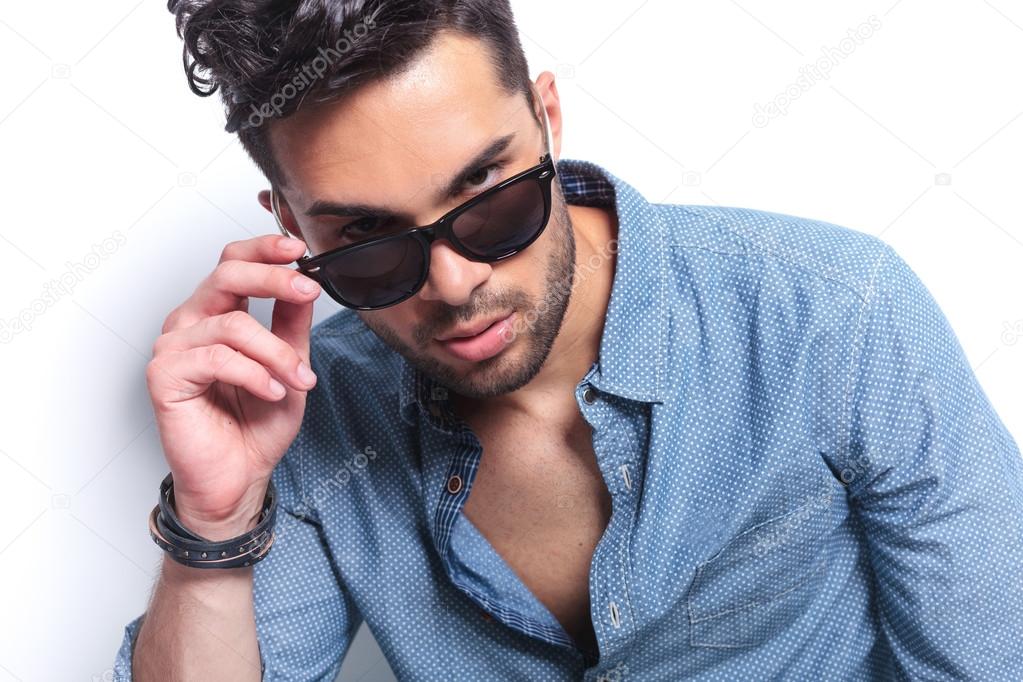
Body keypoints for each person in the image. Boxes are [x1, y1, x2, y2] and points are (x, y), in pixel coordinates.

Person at [114, 1, 1023, 680]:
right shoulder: (306, 407)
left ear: (547, 117)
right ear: (291, 229)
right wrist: (213, 523)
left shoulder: (833, 315)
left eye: (489, 198)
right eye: (369, 246)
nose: (454, 284)